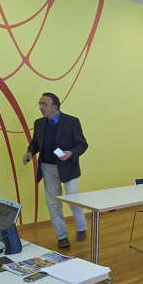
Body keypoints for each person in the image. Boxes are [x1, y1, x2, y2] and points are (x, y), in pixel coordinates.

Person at [22, 92, 88, 249]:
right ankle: (61, 236)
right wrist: (30, 152)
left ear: (54, 107)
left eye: (43, 104)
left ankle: (81, 227)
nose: (40, 107)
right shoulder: (39, 123)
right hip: (47, 167)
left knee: (73, 200)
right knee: (53, 204)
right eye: (39, 104)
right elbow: (35, 143)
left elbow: (82, 144)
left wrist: (71, 153)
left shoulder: (71, 121)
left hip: (68, 167)